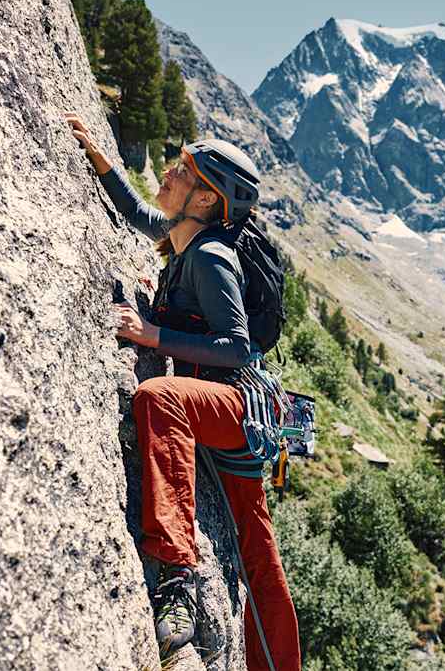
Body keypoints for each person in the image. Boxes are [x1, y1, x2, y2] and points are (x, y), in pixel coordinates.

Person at [65, 113, 301, 670]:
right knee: (258, 552)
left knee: (159, 399)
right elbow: (145, 216)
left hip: (233, 406)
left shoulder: (212, 256)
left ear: (203, 200)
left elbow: (238, 347)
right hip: (223, 409)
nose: (168, 173)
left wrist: (154, 334)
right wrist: (104, 166)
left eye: (183, 171)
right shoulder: (186, 235)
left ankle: (178, 583)